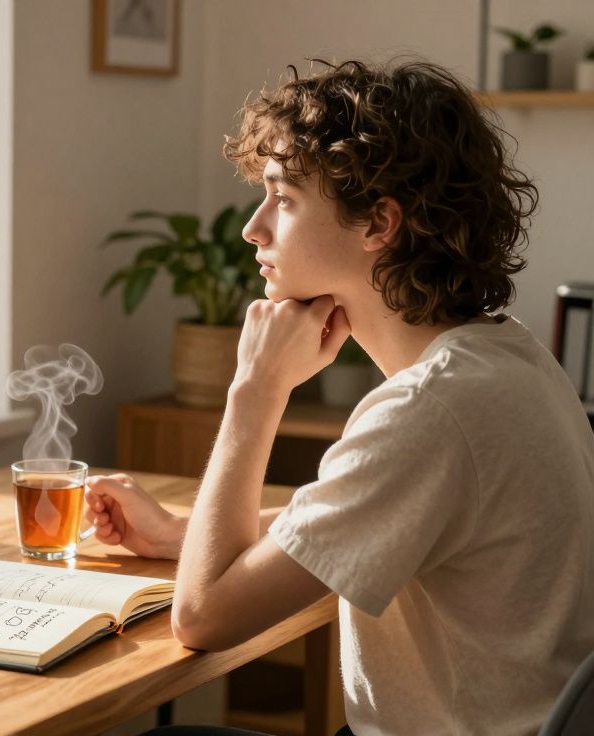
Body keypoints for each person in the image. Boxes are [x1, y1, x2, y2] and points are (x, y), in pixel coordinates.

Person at [84, 60, 594, 735]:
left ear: (379, 222)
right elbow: (363, 515)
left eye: (284, 198)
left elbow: (202, 617)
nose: (254, 228)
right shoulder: (507, 357)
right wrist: (178, 536)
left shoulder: (430, 411)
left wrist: (254, 391)